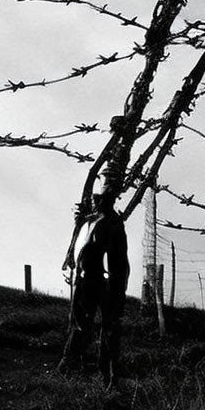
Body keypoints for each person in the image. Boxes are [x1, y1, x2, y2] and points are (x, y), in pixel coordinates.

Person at [59, 161, 130, 386]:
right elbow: (81, 248)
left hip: (104, 281)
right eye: (102, 181)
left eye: (108, 184)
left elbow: (118, 261)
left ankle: (108, 376)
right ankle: (70, 366)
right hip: (84, 280)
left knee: (109, 328)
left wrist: (115, 288)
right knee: (80, 324)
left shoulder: (113, 223)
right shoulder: (89, 221)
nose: (101, 191)